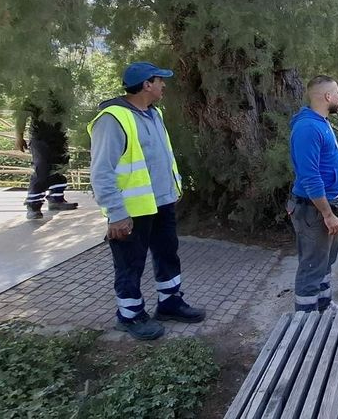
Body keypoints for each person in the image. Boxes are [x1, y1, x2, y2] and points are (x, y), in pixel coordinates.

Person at [88, 62, 205, 340]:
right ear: (146, 85)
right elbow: (102, 172)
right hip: (131, 209)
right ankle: (129, 316)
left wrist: (171, 193)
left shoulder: (154, 114)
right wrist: (116, 213)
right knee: (130, 264)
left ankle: (170, 303)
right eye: (160, 80)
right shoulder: (113, 119)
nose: (164, 85)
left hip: (161, 203)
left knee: (168, 255)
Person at [288, 75, 338, 313]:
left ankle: (323, 306)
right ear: (327, 97)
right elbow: (310, 176)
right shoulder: (308, 128)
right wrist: (327, 214)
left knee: (324, 262)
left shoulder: (320, 122)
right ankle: (304, 321)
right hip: (313, 210)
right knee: (312, 266)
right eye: (337, 92)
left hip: (323, 208)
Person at [15, 90, 78, 220]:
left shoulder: (65, 97)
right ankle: (33, 205)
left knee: (59, 167)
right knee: (42, 170)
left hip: (59, 138)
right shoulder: (36, 95)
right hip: (40, 138)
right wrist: (19, 137)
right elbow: (21, 115)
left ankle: (56, 199)